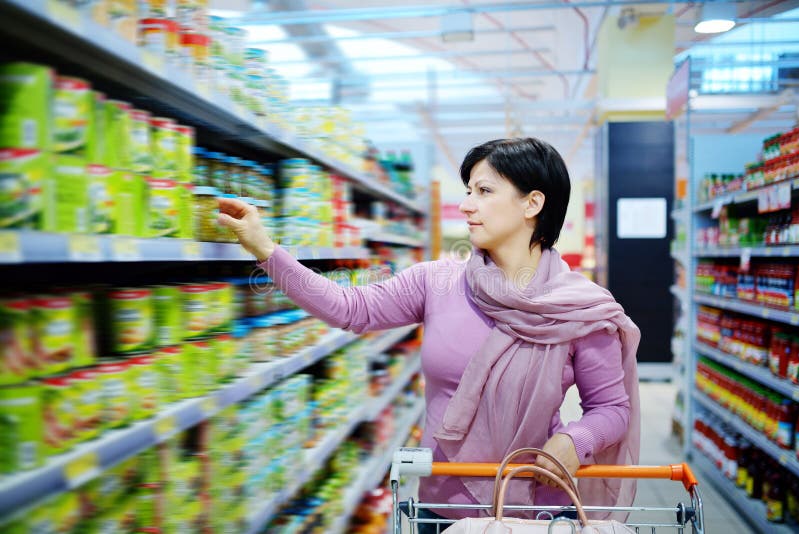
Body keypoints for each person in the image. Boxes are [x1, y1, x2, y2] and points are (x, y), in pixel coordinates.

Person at [218, 137, 641, 531]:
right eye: (468, 191)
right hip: (442, 509)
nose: (467, 205)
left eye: (484, 191)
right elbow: (351, 308)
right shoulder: (436, 282)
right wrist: (266, 250)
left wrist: (575, 440)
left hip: (538, 511)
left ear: (532, 203)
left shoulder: (581, 307)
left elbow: (611, 407)